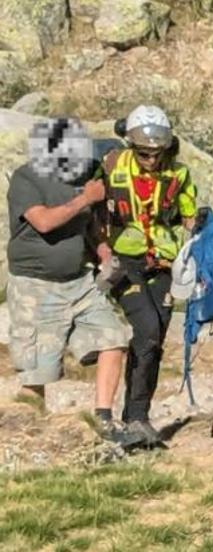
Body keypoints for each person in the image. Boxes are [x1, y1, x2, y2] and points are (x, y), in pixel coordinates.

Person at [5, 118, 131, 445]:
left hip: (79, 282)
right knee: (37, 371)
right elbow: (44, 222)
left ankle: (103, 420)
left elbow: (88, 225)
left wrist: (103, 251)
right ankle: (29, 435)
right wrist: (84, 199)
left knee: (113, 338)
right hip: (35, 286)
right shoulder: (26, 178)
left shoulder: (84, 173)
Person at [96, 105, 197, 447]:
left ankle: (139, 415)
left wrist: (195, 240)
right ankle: (128, 417)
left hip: (164, 263)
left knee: (154, 339)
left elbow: (188, 215)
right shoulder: (111, 165)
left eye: (157, 153)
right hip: (125, 260)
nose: (151, 160)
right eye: (143, 153)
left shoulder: (179, 175)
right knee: (147, 327)